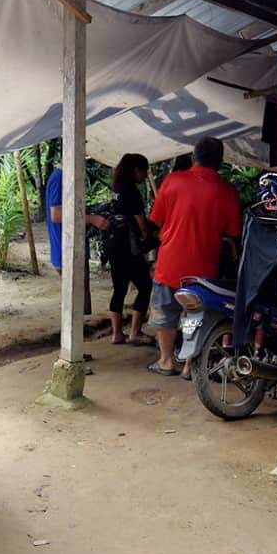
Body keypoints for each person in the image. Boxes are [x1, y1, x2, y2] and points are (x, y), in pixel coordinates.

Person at [148, 137, 242, 377]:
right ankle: (190, 366)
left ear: (193, 157)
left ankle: (166, 361)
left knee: (166, 314)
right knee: (196, 315)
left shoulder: (172, 181)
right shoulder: (227, 190)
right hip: (203, 270)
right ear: (220, 162)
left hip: (169, 264)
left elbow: (156, 219)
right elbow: (234, 232)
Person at [45, 166, 110, 371]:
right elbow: (56, 214)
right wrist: (92, 219)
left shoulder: (66, 175)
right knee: (73, 306)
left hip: (72, 252)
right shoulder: (60, 176)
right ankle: (72, 358)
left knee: (76, 306)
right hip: (67, 253)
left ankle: (76, 352)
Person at [105, 154, 152, 345]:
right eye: (144, 170)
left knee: (119, 288)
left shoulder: (117, 189)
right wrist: (149, 238)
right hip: (129, 247)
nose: (145, 174)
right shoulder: (132, 191)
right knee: (145, 286)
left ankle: (117, 333)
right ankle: (135, 331)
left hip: (114, 245)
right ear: (136, 171)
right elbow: (141, 222)